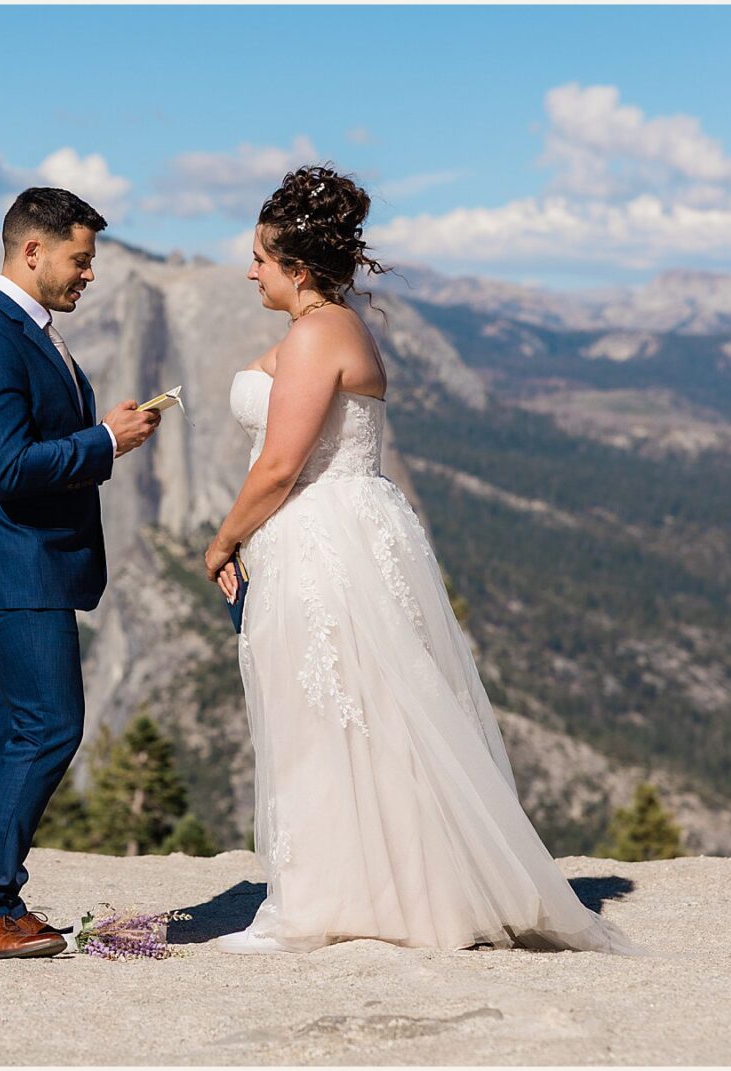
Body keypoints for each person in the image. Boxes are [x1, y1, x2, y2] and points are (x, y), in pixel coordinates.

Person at [203, 165, 643, 955]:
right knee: (364, 715)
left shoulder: (314, 334)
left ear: (297, 269)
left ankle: (331, 898)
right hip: (352, 528)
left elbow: (279, 466)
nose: (250, 270)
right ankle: (386, 886)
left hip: (323, 538)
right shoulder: (331, 328)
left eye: (262, 259)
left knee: (328, 719)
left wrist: (224, 539)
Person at [0, 187, 161, 962]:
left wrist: (102, 431)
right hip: (14, 565)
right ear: (33, 252)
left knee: (8, 735)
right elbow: (9, 465)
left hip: (23, 564)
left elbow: (32, 438)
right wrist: (106, 442)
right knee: (50, 725)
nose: (88, 274)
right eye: (80, 258)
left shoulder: (27, 332)